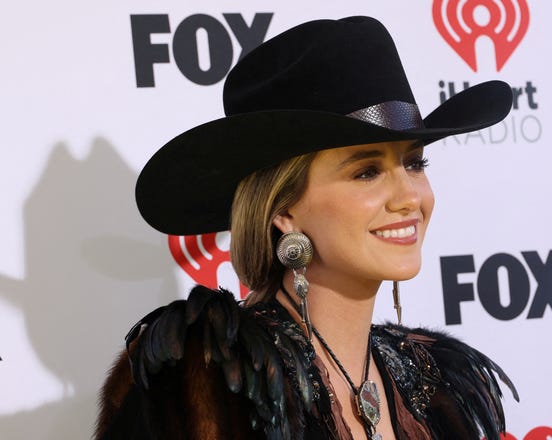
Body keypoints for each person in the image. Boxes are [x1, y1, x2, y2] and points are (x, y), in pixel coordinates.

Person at [94, 15, 518, 440]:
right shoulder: (204, 379)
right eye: (367, 171)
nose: (409, 196)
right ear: (284, 209)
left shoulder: (437, 378)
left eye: (414, 162)